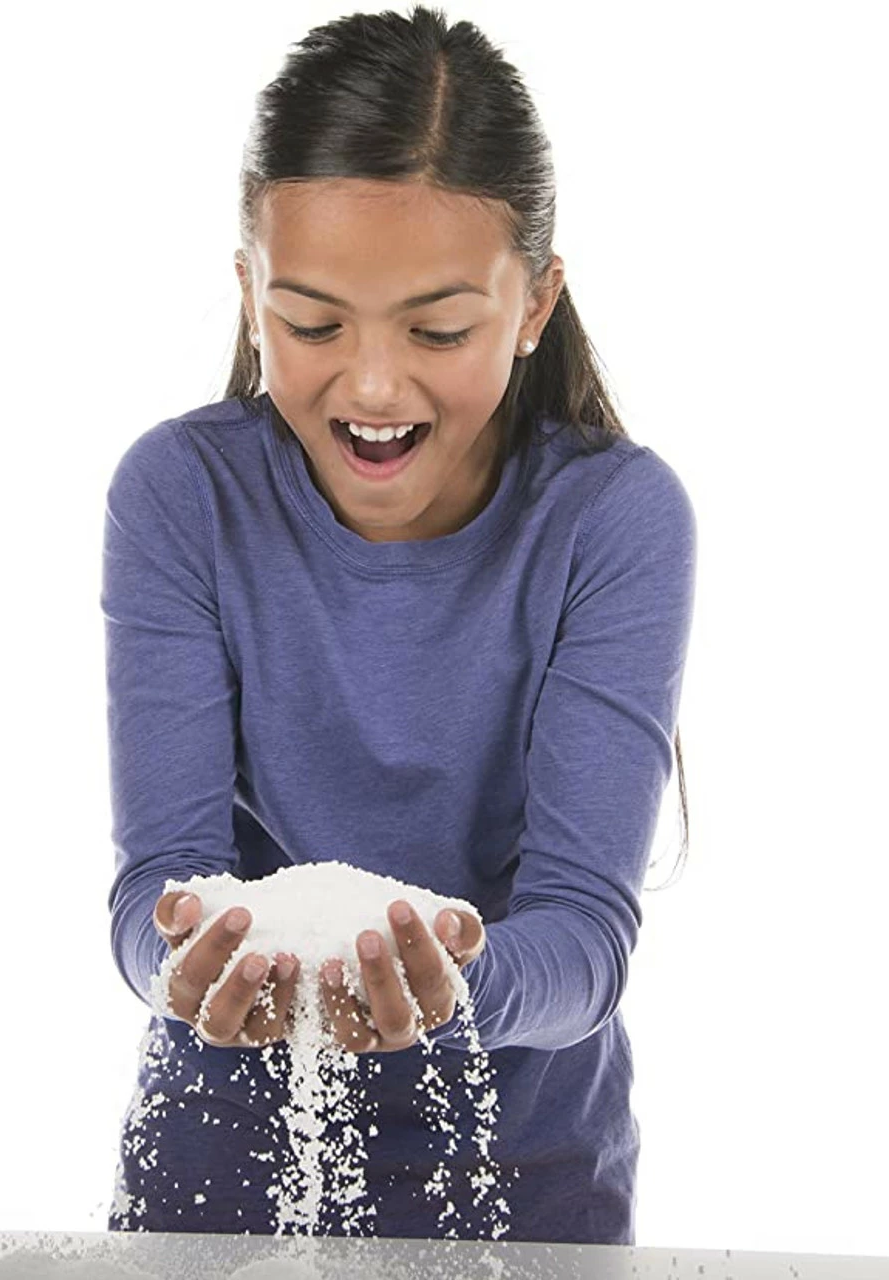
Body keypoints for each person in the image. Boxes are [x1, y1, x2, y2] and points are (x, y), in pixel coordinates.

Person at [101, 4, 697, 1246]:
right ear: (249, 289)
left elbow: (586, 936)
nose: (372, 386)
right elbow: (152, 892)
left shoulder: (612, 518)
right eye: (312, 324)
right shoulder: (180, 496)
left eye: (438, 329)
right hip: (216, 1167)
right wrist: (188, 968)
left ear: (534, 303)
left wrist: (455, 980)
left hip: (522, 1171)